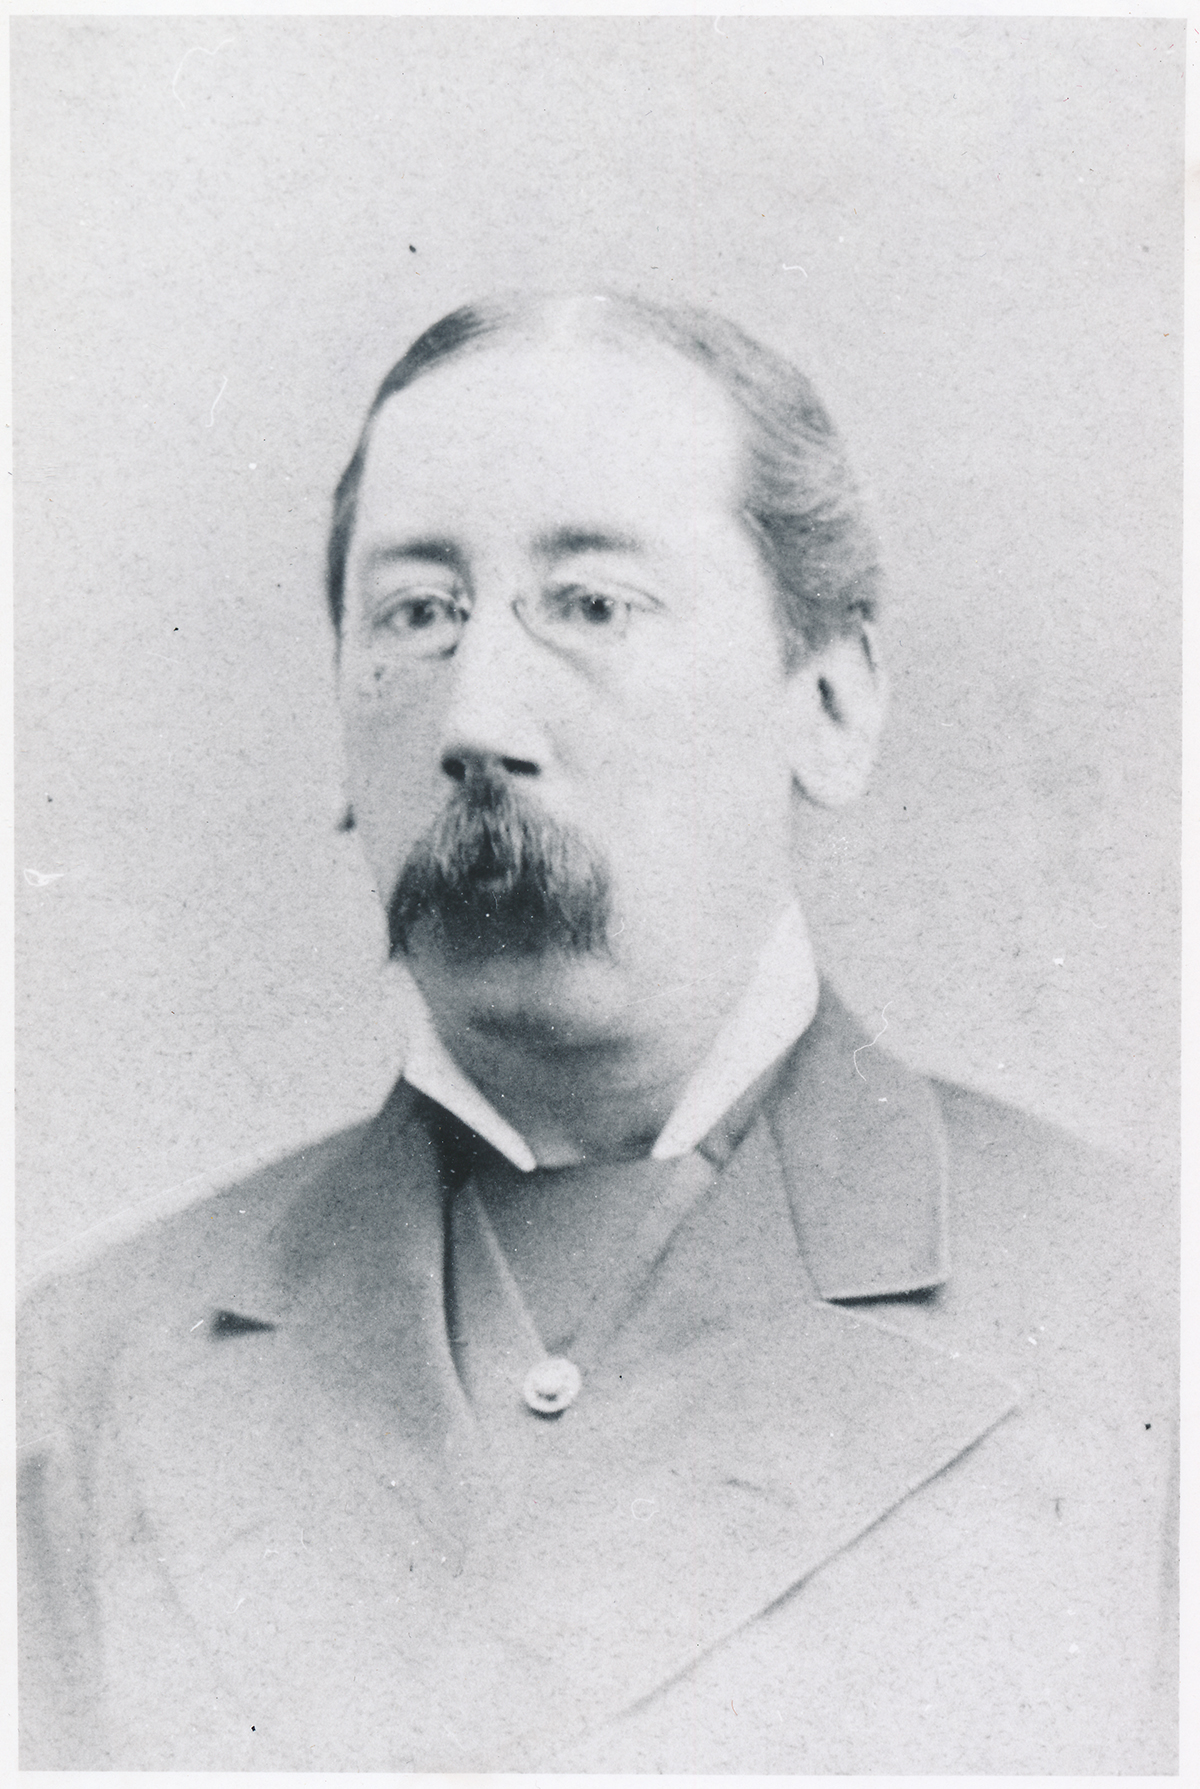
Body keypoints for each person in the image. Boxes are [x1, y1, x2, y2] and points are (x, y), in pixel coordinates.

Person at [17, 292, 1176, 1773]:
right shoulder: (85, 1377)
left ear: (827, 703)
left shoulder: (1145, 1323)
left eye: (592, 604)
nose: (474, 713)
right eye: (418, 614)